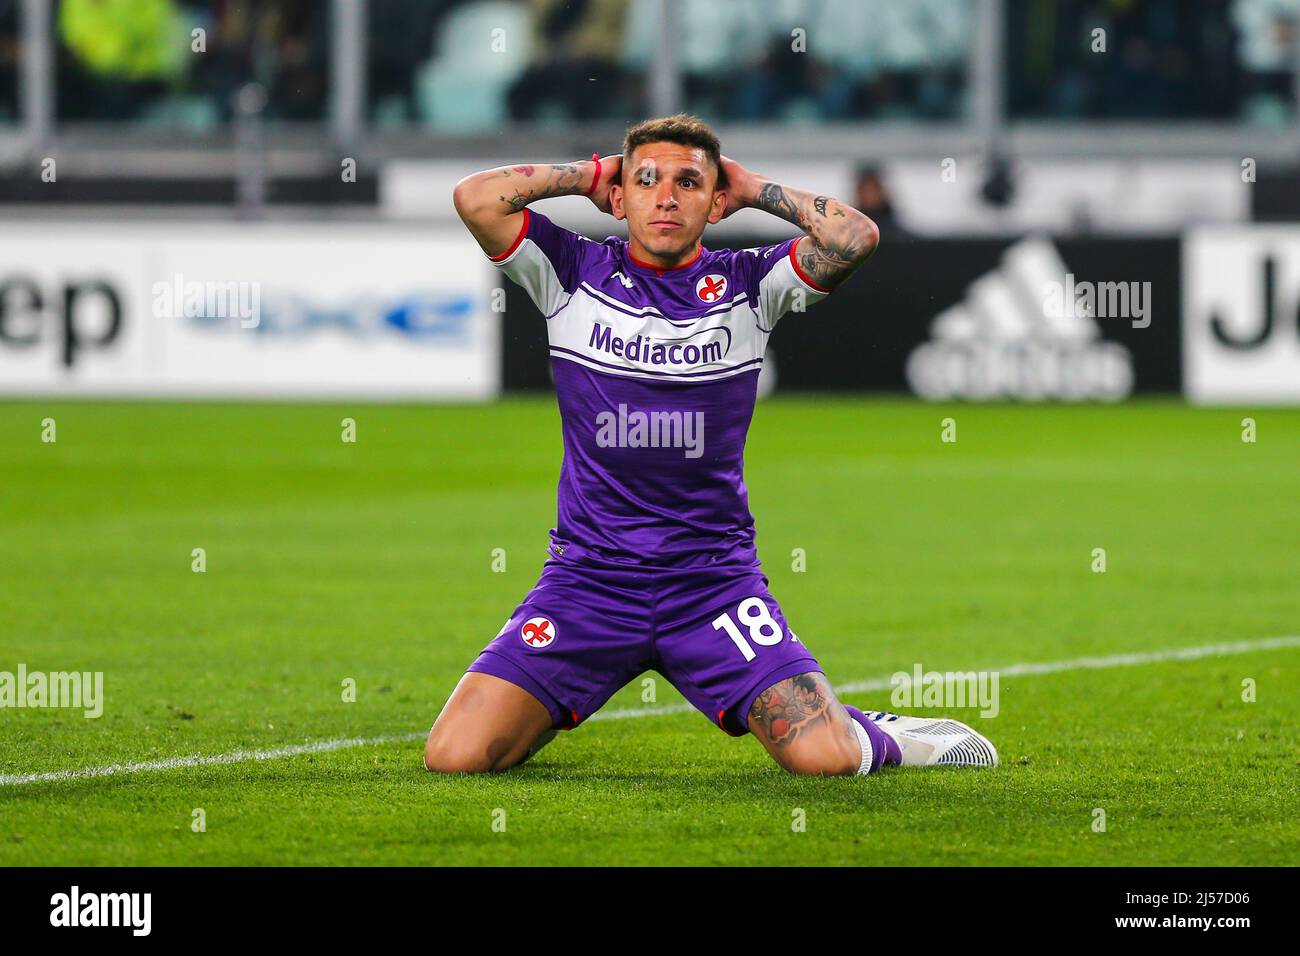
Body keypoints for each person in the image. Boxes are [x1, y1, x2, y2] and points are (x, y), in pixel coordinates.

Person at [427, 113, 997, 776]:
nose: (665, 196)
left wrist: (753, 188)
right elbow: (474, 197)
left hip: (712, 589)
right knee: (456, 755)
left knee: (824, 760)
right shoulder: (569, 271)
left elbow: (855, 235)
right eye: (646, 180)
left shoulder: (750, 285)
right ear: (620, 196)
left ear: (715, 200)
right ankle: (544, 706)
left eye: (689, 182)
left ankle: (880, 733)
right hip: (587, 585)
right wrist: (585, 175)